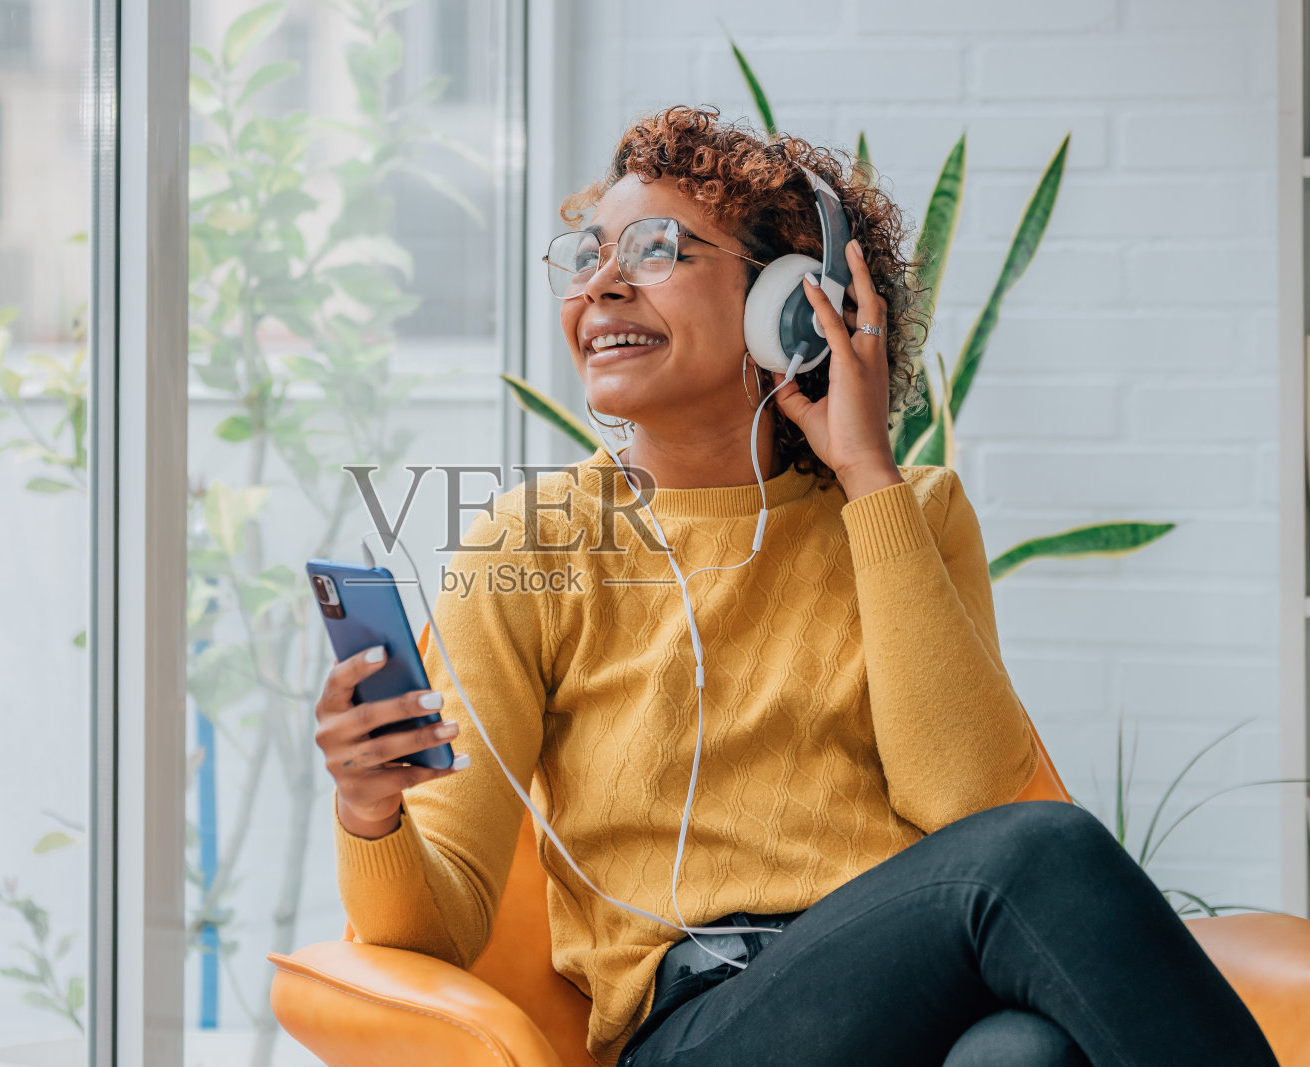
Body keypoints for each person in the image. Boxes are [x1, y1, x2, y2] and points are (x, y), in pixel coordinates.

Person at [311, 106, 1278, 1067]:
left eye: (655, 252)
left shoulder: (913, 512)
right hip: (702, 1033)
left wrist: (869, 478)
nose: (600, 285)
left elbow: (966, 801)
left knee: (1021, 1054)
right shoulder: (534, 546)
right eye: (588, 254)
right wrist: (371, 812)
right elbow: (439, 935)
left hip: (921, 999)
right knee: (1045, 852)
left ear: (789, 304)